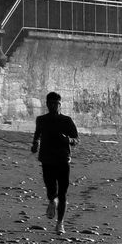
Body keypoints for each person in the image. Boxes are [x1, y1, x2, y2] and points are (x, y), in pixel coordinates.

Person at [31, 91, 79, 234]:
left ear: (60, 105)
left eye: (56, 104)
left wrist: (68, 140)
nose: (53, 106)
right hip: (47, 159)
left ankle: (60, 224)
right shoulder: (41, 120)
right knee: (51, 189)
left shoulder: (66, 120)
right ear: (47, 104)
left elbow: (76, 139)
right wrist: (35, 144)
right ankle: (52, 201)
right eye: (50, 103)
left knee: (63, 193)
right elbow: (37, 134)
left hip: (63, 159)